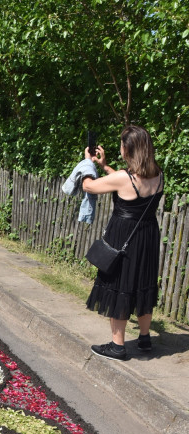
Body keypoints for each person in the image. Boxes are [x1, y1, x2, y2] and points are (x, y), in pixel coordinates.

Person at [82, 125, 163, 361]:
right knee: (143, 281)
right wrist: (104, 166)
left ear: (128, 149)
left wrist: (88, 164)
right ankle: (145, 338)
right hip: (147, 235)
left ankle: (117, 346)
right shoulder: (158, 173)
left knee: (120, 282)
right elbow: (123, 179)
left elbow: (89, 186)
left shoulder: (124, 178)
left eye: (121, 144)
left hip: (124, 236)